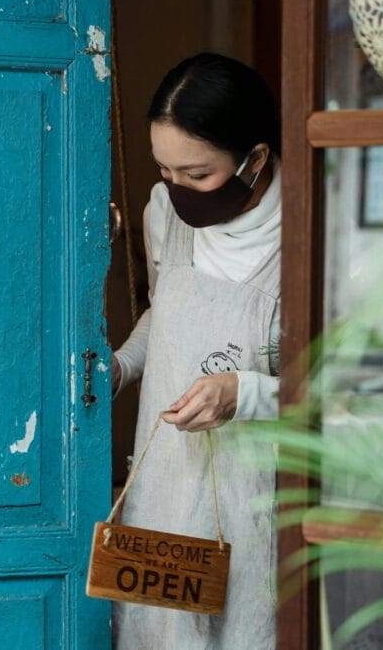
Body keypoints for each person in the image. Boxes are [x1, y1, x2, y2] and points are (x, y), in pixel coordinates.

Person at [111, 53, 282, 650]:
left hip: (256, 499)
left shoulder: (308, 234)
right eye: (165, 171)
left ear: (255, 159)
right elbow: (165, 313)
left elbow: (343, 388)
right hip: (165, 484)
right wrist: (121, 367)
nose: (178, 190)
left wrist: (246, 392)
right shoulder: (165, 215)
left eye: (198, 174)